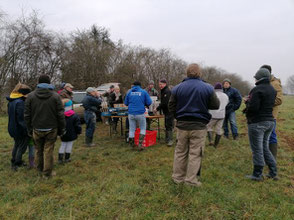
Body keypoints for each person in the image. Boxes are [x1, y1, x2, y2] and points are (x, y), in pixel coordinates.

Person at [168, 63, 220, 186]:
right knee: (195, 153)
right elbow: (215, 105)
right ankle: (191, 180)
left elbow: (171, 106)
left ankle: (178, 178)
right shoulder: (207, 88)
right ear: (199, 73)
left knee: (180, 152)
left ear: (186, 73)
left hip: (182, 125)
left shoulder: (177, 88)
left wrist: (179, 116)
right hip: (199, 125)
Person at [24, 75, 66, 178]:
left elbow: (27, 115)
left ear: (38, 82)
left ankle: (39, 170)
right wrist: (62, 129)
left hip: (37, 128)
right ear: (49, 83)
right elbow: (60, 114)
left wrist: (29, 128)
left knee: (38, 150)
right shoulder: (56, 96)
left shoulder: (30, 96)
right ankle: (47, 173)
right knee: (48, 150)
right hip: (51, 128)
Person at [244, 68, 278, 181]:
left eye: (255, 77)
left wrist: (247, 106)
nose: (254, 79)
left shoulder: (257, 89)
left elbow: (254, 108)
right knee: (264, 147)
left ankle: (257, 174)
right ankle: (273, 171)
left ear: (259, 78)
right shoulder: (272, 90)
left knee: (257, 149)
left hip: (257, 122)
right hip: (270, 121)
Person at [7, 83, 32, 171]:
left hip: (12, 127)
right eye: (28, 94)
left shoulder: (12, 100)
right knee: (22, 146)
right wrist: (26, 130)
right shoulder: (20, 103)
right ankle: (17, 163)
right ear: (24, 93)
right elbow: (22, 119)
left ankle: (14, 160)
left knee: (17, 144)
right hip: (19, 129)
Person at [260, 65, 283, 159]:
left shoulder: (275, 84)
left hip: (271, 115)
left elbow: (279, 100)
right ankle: (265, 155)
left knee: (271, 135)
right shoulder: (263, 82)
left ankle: (273, 158)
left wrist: (265, 102)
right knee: (263, 136)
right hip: (262, 114)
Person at [124, 81, 152, 151]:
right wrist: (144, 103)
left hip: (131, 113)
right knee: (142, 128)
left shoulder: (129, 92)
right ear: (140, 85)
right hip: (140, 113)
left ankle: (131, 145)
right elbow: (149, 102)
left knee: (132, 129)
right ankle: (140, 145)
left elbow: (126, 103)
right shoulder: (143, 92)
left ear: (133, 85)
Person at [58, 99, 82, 164]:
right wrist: (79, 132)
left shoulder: (60, 115)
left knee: (63, 145)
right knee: (69, 145)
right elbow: (77, 125)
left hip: (63, 133)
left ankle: (60, 159)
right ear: (70, 106)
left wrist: (58, 133)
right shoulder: (74, 115)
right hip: (72, 133)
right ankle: (67, 158)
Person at [207, 83, 229, 148]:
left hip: (213, 114)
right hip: (222, 115)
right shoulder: (225, 95)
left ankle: (211, 141)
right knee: (218, 129)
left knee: (209, 127)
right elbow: (227, 103)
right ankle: (215, 145)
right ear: (221, 89)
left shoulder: (213, 94)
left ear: (215, 88)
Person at [155, 79, 174, 146]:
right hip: (166, 111)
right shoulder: (163, 91)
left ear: (165, 84)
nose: (160, 86)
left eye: (161, 84)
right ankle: (167, 139)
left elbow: (165, 103)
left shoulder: (167, 91)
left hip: (169, 111)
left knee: (169, 125)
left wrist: (157, 108)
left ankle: (170, 140)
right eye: (159, 84)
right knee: (166, 125)